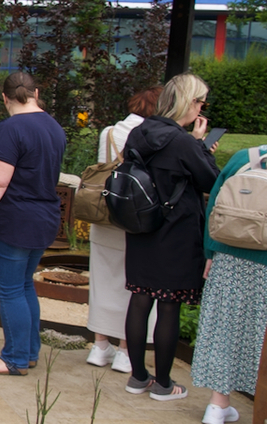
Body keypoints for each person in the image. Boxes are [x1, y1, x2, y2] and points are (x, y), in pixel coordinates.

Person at [122, 73, 219, 401]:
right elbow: (210, 181)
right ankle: (163, 384)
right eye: (200, 101)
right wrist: (202, 147)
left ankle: (138, 377)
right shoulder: (182, 142)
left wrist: (194, 144)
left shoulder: (139, 133)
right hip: (176, 232)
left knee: (139, 300)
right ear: (188, 102)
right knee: (169, 306)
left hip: (142, 226)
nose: (202, 107)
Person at [0, 72, 66, 376]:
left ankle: (15, 358)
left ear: (4, 98)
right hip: (43, 217)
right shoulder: (53, 126)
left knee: (9, 290)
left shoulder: (10, 129)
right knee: (24, 286)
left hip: (13, 219)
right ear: (36, 92)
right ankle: (29, 352)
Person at [85, 86, 162, 373]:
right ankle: (126, 350)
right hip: (137, 218)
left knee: (103, 280)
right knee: (135, 285)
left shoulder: (109, 133)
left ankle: (99, 345)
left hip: (106, 214)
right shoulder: (154, 136)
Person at [192, 144, 267, 424]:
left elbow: (214, 206)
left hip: (228, 254)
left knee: (224, 327)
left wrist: (210, 252)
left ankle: (217, 405)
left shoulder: (242, 158)